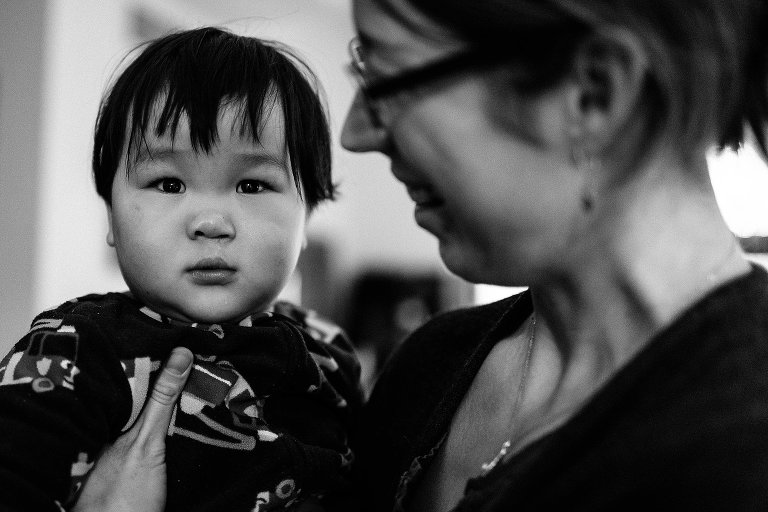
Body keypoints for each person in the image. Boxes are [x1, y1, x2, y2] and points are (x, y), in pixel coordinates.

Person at [76, 0, 768, 510]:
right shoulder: (431, 365)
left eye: (386, 77)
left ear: (594, 92)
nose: (354, 134)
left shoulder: (739, 445)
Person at [0, 27, 363, 512]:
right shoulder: (75, 350)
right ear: (111, 216)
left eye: (252, 185)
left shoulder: (328, 351)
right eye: (169, 184)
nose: (210, 223)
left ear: (307, 218)